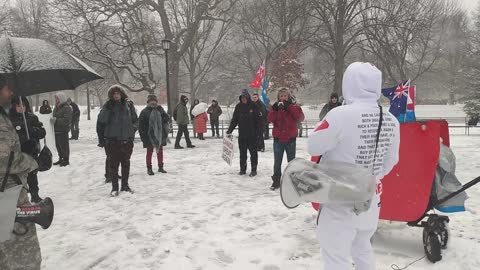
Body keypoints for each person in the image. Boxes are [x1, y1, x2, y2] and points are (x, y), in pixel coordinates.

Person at [307, 62, 400, 270]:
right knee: (362, 248)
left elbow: (313, 146)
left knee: (335, 257)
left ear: (349, 83)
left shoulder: (340, 114)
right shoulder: (391, 120)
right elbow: (392, 160)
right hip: (370, 198)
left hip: (340, 198)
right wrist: (372, 176)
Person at [0, 75, 42, 270]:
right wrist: (34, 161)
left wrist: (22, 147)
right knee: (22, 257)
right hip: (7, 197)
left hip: (8, 194)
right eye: (7, 89)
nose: (11, 93)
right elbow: (3, 161)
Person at [97, 85, 138, 196]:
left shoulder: (129, 105)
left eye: (118, 93)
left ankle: (125, 185)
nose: (116, 96)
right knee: (113, 165)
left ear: (121, 94)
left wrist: (132, 130)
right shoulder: (108, 106)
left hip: (126, 140)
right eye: (114, 94)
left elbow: (135, 120)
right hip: (112, 141)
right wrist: (102, 139)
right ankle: (114, 187)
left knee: (126, 163)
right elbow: (101, 122)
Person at [9, 96, 46, 203]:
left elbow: (42, 132)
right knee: (17, 177)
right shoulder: (9, 119)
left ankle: (35, 194)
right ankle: (19, 198)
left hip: (30, 151)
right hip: (15, 153)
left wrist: (32, 131)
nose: (21, 108)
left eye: (24, 106)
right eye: (18, 106)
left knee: (32, 175)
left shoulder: (32, 118)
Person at [268, 89, 305, 190]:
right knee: (277, 162)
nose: (283, 98)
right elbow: (270, 119)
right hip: (278, 139)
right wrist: (275, 110)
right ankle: (276, 181)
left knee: (291, 162)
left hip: (290, 139)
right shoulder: (275, 107)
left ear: (288, 96)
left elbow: (300, 118)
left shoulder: (294, 106)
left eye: (285, 96)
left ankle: (293, 181)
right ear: (278, 97)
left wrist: (290, 107)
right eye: (281, 96)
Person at [226, 89, 262, 177]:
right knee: (242, 153)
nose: (243, 99)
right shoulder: (238, 107)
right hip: (242, 135)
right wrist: (230, 130)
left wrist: (259, 133)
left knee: (253, 153)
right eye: (242, 98)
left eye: (245, 97)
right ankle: (243, 169)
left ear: (248, 97)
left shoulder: (254, 106)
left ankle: (254, 170)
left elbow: (259, 121)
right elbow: (234, 120)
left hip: (252, 135)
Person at [139, 94, 169, 175]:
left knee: (160, 151)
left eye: (154, 101)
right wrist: (143, 137)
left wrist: (162, 111)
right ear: (148, 102)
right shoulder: (144, 112)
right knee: (149, 152)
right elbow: (141, 126)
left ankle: (160, 167)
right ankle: (149, 168)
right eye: (151, 101)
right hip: (149, 136)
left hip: (159, 135)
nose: (153, 102)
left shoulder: (160, 110)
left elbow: (166, 119)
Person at [52, 92, 73, 167]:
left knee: (64, 146)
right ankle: (61, 158)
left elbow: (67, 120)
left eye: (57, 98)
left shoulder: (67, 108)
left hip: (63, 130)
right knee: (58, 145)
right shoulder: (56, 107)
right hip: (56, 130)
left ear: (61, 98)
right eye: (55, 98)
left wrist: (56, 120)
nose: (56, 99)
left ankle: (66, 160)